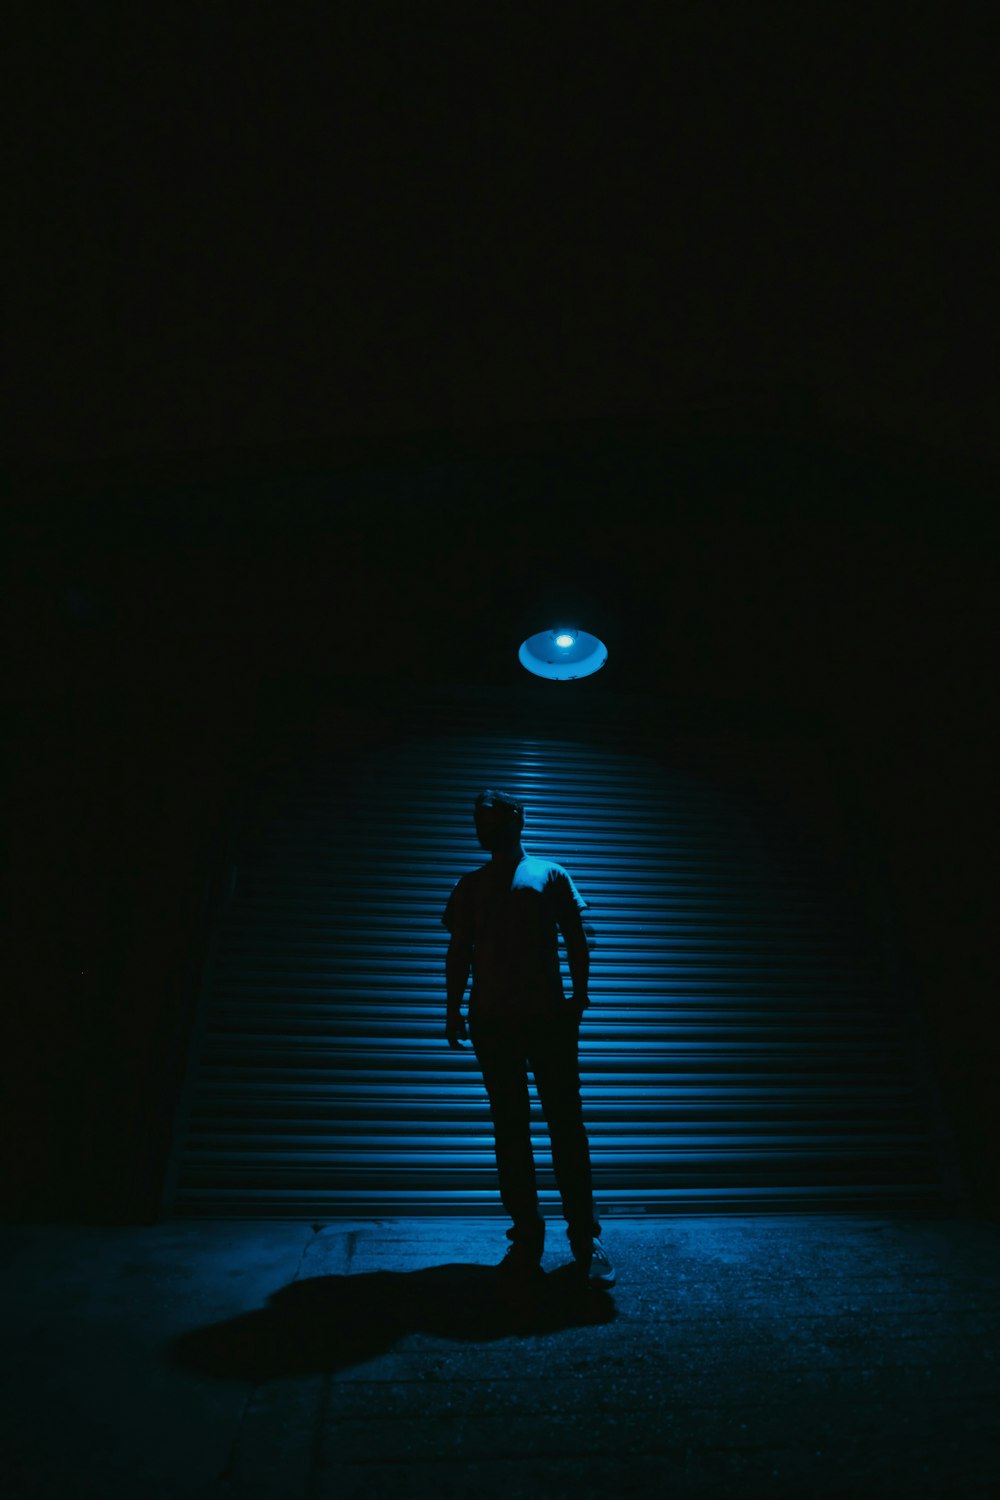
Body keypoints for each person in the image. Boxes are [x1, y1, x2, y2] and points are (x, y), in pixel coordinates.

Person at [442, 789, 615, 1288]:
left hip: (546, 1021)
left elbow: (577, 937)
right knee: (511, 1130)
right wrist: (453, 1009)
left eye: (489, 818)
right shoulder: (469, 885)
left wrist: (579, 997)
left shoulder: (549, 873)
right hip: (492, 1023)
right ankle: (526, 1239)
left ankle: (585, 1238)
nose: (480, 826)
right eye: (477, 819)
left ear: (516, 820)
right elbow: (459, 951)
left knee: (566, 1128)